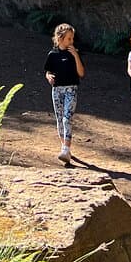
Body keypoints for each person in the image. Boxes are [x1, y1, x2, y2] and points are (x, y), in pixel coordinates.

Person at [45, 23, 85, 165]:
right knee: (60, 118)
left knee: (67, 118)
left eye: (72, 38)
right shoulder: (52, 55)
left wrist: (75, 56)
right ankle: (64, 147)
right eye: (69, 39)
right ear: (60, 38)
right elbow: (48, 71)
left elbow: (81, 73)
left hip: (71, 89)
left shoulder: (74, 53)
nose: (71, 42)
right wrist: (49, 76)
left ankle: (66, 148)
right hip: (57, 90)